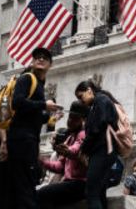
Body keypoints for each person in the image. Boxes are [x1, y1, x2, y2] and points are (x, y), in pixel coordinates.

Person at [0, 46, 60, 209]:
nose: (40, 59)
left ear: (50, 65)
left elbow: (30, 116)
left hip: (26, 141)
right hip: (21, 142)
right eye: (37, 57)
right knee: (25, 187)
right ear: (32, 62)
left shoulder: (39, 85)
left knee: (10, 189)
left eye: (45, 58)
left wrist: (50, 118)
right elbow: (17, 103)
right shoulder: (27, 78)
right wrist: (44, 105)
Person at [76, 80, 122, 209]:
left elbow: (96, 128)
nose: (81, 101)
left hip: (102, 151)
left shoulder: (101, 101)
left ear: (89, 90)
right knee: (100, 192)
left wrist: (83, 148)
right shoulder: (101, 101)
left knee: (91, 192)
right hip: (105, 151)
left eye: (81, 96)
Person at [38, 102, 89, 205]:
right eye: (70, 118)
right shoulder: (70, 138)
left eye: (75, 119)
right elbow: (60, 166)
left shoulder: (83, 135)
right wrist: (42, 160)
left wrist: (67, 151)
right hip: (68, 183)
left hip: (80, 184)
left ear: (83, 121)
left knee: (42, 194)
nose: (70, 121)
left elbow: (75, 150)